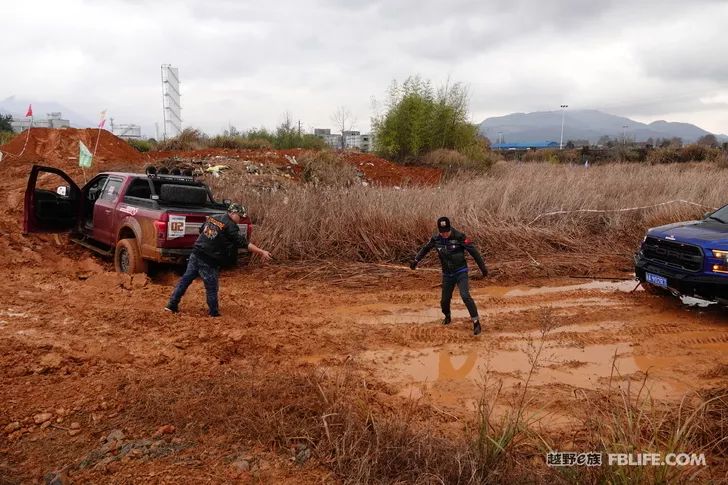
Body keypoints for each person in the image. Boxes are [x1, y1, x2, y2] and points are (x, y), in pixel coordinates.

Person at [165, 203, 271, 316]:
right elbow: (244, 243)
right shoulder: (231, 226)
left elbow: (201, 230)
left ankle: (171, 304)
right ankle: (213, 313)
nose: (240, 219)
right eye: (240, 216)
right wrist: (261, 252)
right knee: (211, 287)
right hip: (208, 260)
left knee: (185, 280)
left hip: (195, 253)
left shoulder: (214, 217)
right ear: (233, 213)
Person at [410, 216, 488, 335]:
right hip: (447, 275)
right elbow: (425, 249)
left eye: (446, 231)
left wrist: (483, 269)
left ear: (450, 227)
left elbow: (474, 252)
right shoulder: (436, 239)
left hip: (461, 272)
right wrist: (416, 260)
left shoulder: (460, 236)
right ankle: (447, 316)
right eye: (442, 232)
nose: (444, 234)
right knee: (444, 301)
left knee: (465, 295)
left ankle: (476, 322)